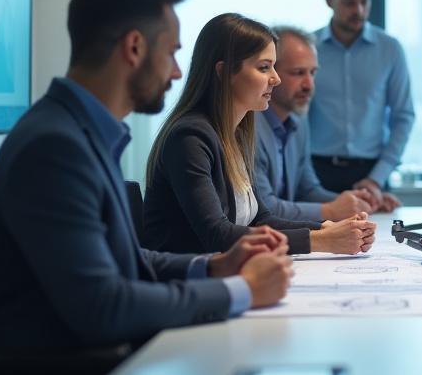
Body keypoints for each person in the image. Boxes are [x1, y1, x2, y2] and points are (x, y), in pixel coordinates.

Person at [0, 0, 294, 357]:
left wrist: (214, 268)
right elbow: (104, 306)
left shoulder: (77, 132)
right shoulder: (54, 148)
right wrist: (241, 290)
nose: (178, 71)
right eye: (172, 53)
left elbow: (125, 257)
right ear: (134, 48)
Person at [142, 13, 376, 256]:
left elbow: (261, 219)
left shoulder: (236, 134)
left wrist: (329, 228)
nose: (275, 79)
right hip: (183, 283)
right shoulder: (190, 138)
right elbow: (217, 235)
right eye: (264, 67)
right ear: (224, 72)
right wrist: (321, 240)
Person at [309, 0, 414, 212]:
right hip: (316, 173)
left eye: (364, 1)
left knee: (376, 246)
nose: (358, 10)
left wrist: (377, 178)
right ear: (329, 1)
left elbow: (404, 116)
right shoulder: (308, 49)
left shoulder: (390, 49)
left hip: (371, 174)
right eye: (348, 2)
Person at [255, 25, 376, 222]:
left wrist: (356, 202)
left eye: (312, 72)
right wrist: (330, 211)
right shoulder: (247, 126)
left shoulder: (298, 120)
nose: (309, 85)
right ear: (271, 73)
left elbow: (308, 190)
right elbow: (263, 207)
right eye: (297, 73)